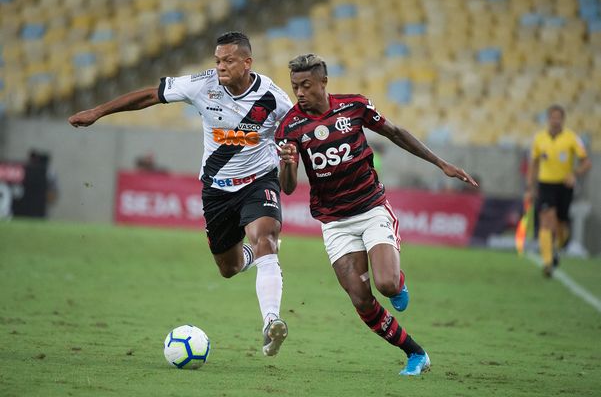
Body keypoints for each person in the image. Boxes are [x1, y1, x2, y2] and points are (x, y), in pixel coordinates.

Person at [68, 32, 293, 356]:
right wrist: (98, 112)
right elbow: (150, 96)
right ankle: (252, 256)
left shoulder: (274, 99)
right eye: (217, 60)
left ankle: (271, 323)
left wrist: (290, 164)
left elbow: (297, 140)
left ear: (247, 62)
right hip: (216, 190)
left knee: (265, 240)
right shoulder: (203, 85)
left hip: (259, 182)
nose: (220, 67)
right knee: (228, 268)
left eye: (228, 60)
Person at [276, 54, 478, 376]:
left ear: (323, 82)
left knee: (385, 284)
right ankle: (415, 353)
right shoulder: (290, 126)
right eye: (295, 86)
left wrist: (441, 164)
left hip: (371, 210)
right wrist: (287, 163)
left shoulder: (354, 106)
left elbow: (395, 133)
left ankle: (398, 282)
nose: (299, 93)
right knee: (361, 299)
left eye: (306, 85)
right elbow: (287, 188)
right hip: (335, 223)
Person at [525, 105, 591, 277]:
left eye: (558, 117)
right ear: (548, 119)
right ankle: (547, 262)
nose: (555, 120)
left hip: (564, 186)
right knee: (546, 220)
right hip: (545, 184)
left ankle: (556, 248)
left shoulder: (571, 138)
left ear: (563, 119)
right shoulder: (539, 138)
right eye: (552, 117)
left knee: (560, 225)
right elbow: (534, 163)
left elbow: (586, 162)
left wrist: (574, 174)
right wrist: (530, 187)